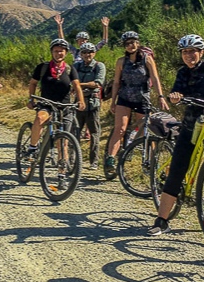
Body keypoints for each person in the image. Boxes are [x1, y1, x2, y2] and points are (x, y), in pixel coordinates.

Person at [147, 34, 204, 235]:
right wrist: (175, 97)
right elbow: (175, 92)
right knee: (178, 167)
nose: (189, 55)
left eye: (193, 51)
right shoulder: (183, 73)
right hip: (192, 122)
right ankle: (161, 220)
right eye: (185, 52)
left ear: (201, 52)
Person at [104, 31, 169, 178]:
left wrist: (161, 96)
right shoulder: (121, 61)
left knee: (146, 130)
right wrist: (113, 101)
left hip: (142, 98)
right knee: (120, 129)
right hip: (125, 97)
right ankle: (110, 161)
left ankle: (152, 163)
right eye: (127, 43)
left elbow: (155, 78)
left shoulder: (147, 59)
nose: (130, 45)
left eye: (133, 42)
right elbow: (116, 82)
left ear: (138, 43)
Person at [24, 39, 87, 168]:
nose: (59, 53)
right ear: (52, 52)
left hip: (64, 106)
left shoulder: (70, 69)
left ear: (66, 53)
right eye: (56, 51)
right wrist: (31, 99)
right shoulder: (43, 67)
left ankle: (61, 172)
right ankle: (32, 147)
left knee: (62, 140)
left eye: (61, 51)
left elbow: (77, 86)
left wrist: (81, 101)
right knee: (40, 118)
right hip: (46, 103)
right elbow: (33, 83)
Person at [73, 42, 106, 170]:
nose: (88, 55)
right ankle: (72, 160)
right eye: (85, 52)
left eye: (90, 52)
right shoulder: (76, 66)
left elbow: (98, 83)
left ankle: (94, 162)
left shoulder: (99, 66)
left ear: (94, 53)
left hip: (93, 103)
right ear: (81, 54)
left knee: (94, 133)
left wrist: (79, 85)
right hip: (78, 103)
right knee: (74, 132)